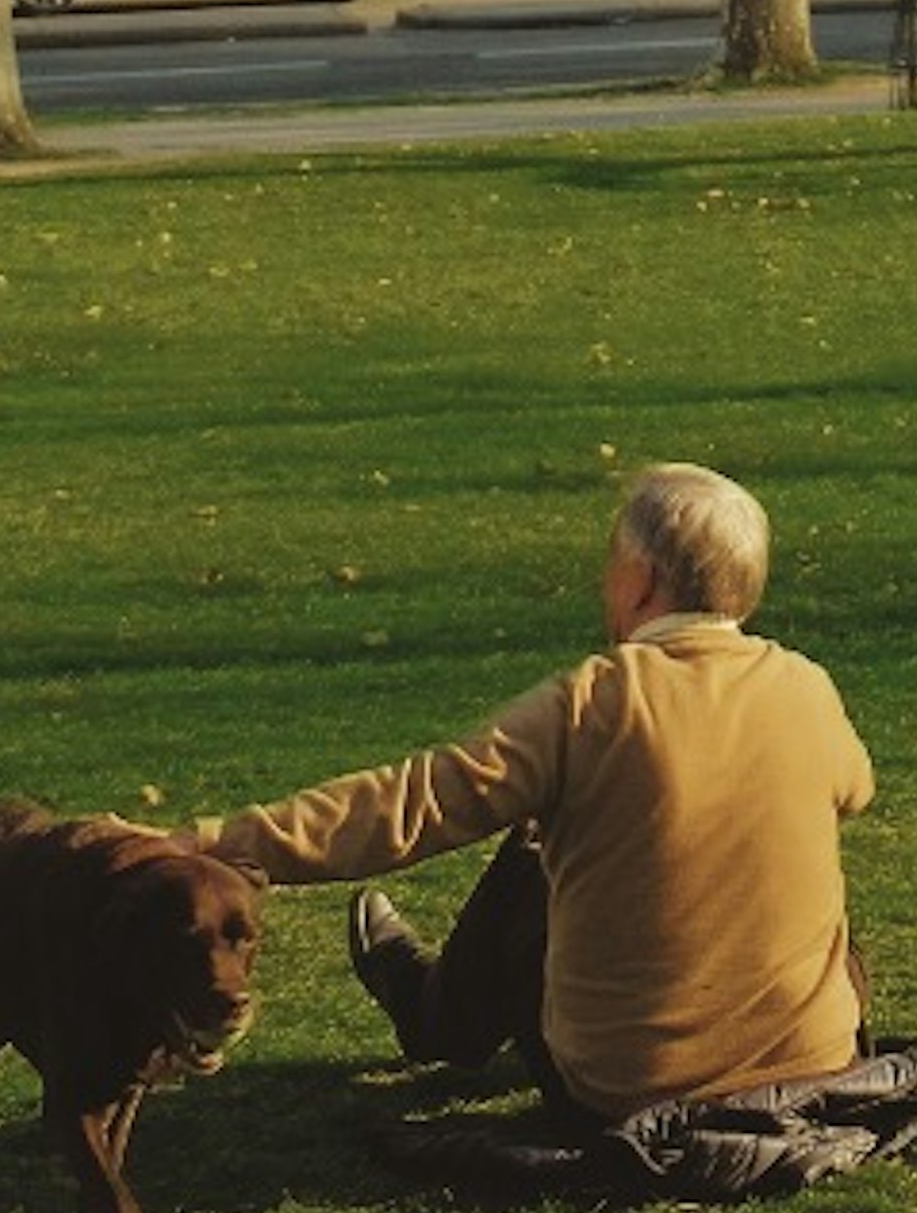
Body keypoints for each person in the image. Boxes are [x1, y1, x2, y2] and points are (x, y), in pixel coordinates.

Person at [197, 459, 874, 1122]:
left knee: (530, 855)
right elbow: (854, 789)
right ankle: (439, 1008)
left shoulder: (593, 703)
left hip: (630, 1086)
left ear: (640, 581)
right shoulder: (805, 686)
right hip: (815, 1066)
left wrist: (213, 842)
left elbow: (410, 806)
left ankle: (431, 1011)